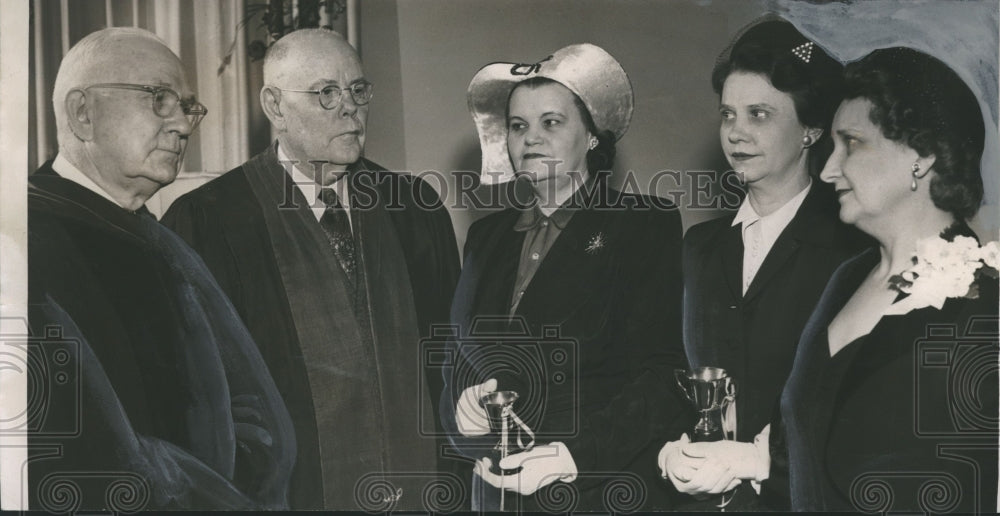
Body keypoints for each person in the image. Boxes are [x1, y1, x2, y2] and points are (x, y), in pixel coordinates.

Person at [162, 28, 461, 511]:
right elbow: (196, 399)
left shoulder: (415, 208)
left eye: (358, 90)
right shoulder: (211, 221)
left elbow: (451, 363)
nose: (350, 108)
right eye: (326, 93)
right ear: (275, 107)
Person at [27, 27, 295, 510]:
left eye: (187, 107)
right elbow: (77, 462)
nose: (184, 126)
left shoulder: (163, 241)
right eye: (159, 99)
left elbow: (251, 407)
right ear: (82, 113)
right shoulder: (23, 246)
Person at [442, 43, 690, 512]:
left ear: (593, 137)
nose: (530, 139)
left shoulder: (641, 225)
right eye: (518, 126)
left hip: (594, 489)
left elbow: (665, 375)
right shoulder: (485, 237)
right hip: (495, 491)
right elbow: (456, 361)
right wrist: (462, 410)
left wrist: (576, 457)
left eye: (551, 123)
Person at [775, 47, 999, 512]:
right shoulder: (845, 277)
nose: (828, 168)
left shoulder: (984, 302)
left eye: (852, 142)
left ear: (922, 154)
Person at [658, 18, 869, 510]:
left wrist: (759, 461)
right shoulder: (701, 245)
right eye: (728, 115)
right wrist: (670, 447)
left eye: (759, 115)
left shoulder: (853, 246)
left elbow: (855, 405)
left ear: (811, 130)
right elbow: (672, 372)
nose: (737, 133)